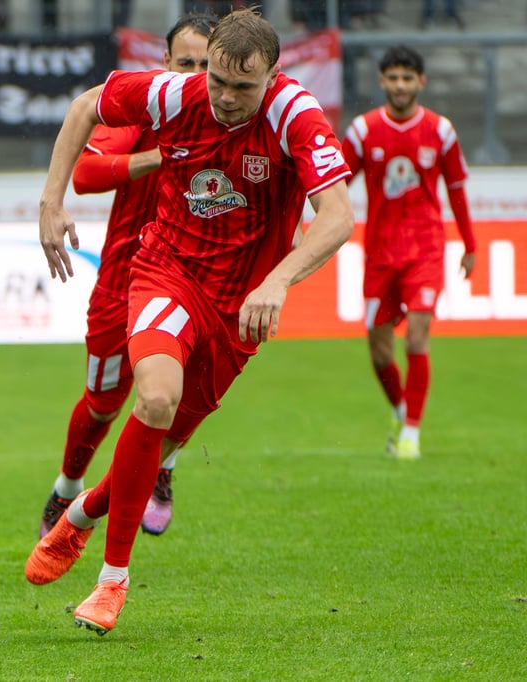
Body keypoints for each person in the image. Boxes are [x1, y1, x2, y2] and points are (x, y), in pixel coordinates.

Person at [25, 8, 354, 635]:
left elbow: (338, 216)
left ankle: (81, 516)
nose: (227, 98)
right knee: (152, 399)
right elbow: (84, 109)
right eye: (218, 82)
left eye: (243, 87)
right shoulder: (174, 93)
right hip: (166, 271)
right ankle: (111, 582)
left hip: (239, 309)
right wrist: (50, 201)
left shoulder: (296, 116)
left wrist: (277, 281)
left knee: (165, 443)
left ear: (274, 76)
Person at [37, 12, 217, 541]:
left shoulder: (235, 119)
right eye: (186, 62)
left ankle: (162, 468)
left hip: (190, 281)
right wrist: (161, 156)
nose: (195, 74)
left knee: (172, 396)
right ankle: (68, 486)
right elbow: (88, 174)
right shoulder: (150, 111)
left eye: (207, 65)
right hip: (122, 282)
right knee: (100, 405)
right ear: (165, 63)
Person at [341, 46, 475, 460]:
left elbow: (455, 189)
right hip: (380, 252)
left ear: (422, 82)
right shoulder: (363, 131)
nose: (400, 85)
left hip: (426, 248)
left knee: (418, 334)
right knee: (379, 346)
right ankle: (401, 410)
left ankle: (411, 435)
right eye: (393, 77)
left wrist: (470, 244)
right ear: (381, 82)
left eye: (407, 77)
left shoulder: (441, 131)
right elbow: (337, 184)